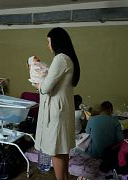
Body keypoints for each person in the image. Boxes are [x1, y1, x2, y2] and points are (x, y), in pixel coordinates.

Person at [33, 27, 80, 180]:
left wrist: (38, 84)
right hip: (62, 109)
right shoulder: (68, 59)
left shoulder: (60, 58)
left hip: (56, 112)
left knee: (55, 150)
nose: (48, 46)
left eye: (48, 42)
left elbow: (46, 87)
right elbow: (54, 78)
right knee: (62, 150)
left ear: (56, 41)